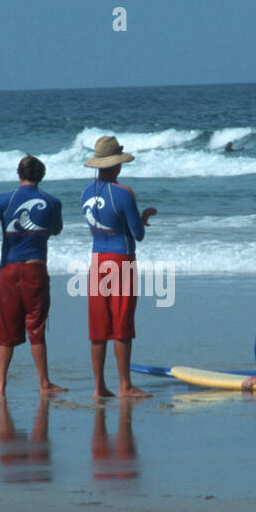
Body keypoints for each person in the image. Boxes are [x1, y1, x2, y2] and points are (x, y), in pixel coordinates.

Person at [0, 154, 67, 396]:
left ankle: (0, 384)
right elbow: (56, 230)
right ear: (42, 176)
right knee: (36, 327)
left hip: (9, 270)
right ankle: (44, 384)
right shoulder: (52, 202)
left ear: (19, 175)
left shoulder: (4, 200)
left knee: (6, 328)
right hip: (35, 270)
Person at [80, 135, 157, 398]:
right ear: (117, 165)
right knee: (122, 324)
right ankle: (125, 385)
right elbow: (137, 234)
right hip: (121, 260)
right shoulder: (124, 193)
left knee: (98, 327)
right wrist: (142, 218)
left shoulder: (85, 192)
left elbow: (104, 224)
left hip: (97, 260)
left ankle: (99, 386)